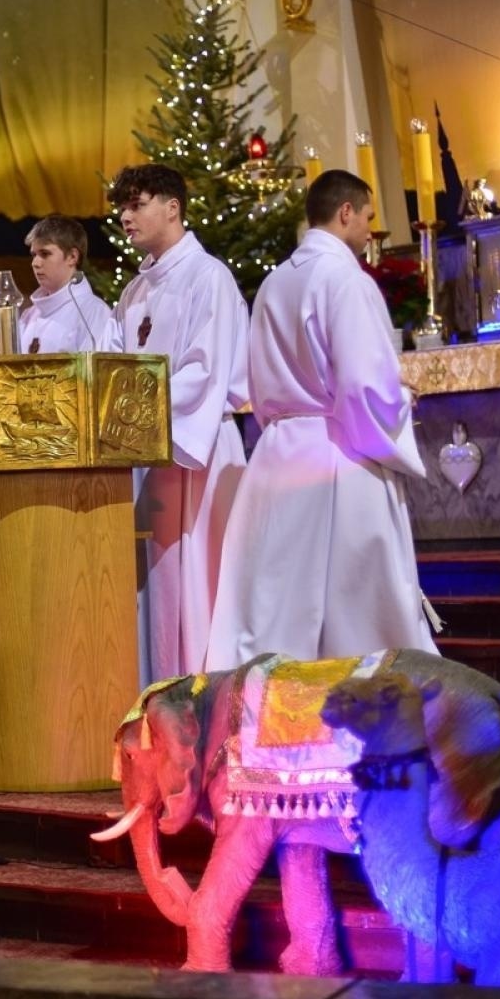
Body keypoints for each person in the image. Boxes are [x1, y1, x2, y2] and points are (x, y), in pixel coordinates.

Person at [207, 171, 438, 670]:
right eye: (369, 218)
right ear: (346, 212)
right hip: (336, 453)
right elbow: (362, 384)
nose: (369, 231)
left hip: (276, 456)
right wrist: (398, 399)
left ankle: (267, 708)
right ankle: (366, 708)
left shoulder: (274, 281)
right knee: (354, 607)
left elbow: (259, 375)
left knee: (273, 601)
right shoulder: (344, 278)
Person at [107, 163, 249, 683]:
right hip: (153, 453)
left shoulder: (208, 276)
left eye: (136, 204)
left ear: (172, 207)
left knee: (203, 587)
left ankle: (211, 705)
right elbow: (116, 365)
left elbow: (205, 372)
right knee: (161, 591)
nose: (125, 216)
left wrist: (132, 408)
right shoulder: (135, 292)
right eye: (121, 207)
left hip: (201, 447)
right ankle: (162, 703)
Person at [17, 216, 120, 354]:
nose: (35, 263)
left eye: (45, 254)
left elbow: (95, 372)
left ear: (72, 257)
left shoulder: (93, 312)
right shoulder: (28, 316)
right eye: (34, 255)